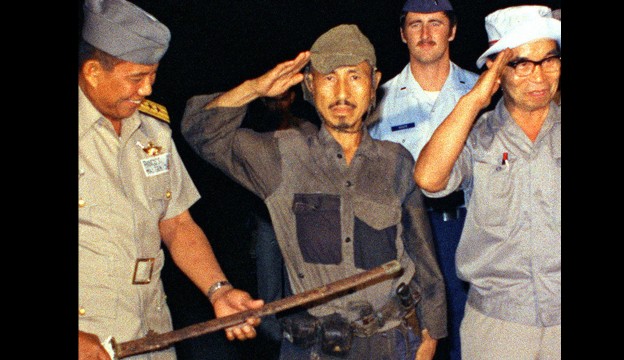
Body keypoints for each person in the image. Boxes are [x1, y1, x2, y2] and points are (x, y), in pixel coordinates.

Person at [181, 24, 447, 360]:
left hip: (394, 342)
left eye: (355, 77)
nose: (342, 92)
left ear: (374, 83)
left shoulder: (396, 160)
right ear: (310, 84)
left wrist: (431, 333)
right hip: (316, 349)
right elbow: (200, 132)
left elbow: (422, 252)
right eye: (329, 77)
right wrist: (253, 89)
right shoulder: (279, 156)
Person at [78, 1, 263, 359]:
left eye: (153, 75)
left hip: (152, 331)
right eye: (136, 78)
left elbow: (176, 223)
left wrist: (218, 290)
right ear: (93, 71)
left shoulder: (153, 131)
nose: (147, 89)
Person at [413, 5, 561, 359]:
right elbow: (428, 179)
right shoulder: (477, 136)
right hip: (497, 324)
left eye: (549, 60)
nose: (538, 77)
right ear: (496, 69)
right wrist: (475, 99)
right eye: (522, 63)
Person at [367, 1, 478, 358]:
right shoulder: (379, 101)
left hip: (470, 226)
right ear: (402, 33)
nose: (426, 34)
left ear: (453, 30)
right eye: (415, 24)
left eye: (436, 23)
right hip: (409, 234)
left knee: (473, 332)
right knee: (416, 337)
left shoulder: (480, 92)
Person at [244, 87, 319, 354]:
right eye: (271, 99)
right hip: (266, 219)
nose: (277, 104)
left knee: (301, 283)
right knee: (268, 285)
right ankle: (276, 340)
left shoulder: (308, 130)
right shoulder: (253, 132)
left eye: (283, 98)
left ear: (291, 98)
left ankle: (299, 342)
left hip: (302, 219)